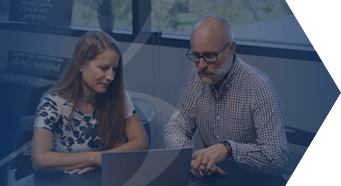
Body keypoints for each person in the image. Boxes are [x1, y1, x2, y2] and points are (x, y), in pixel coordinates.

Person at [164, 15, 290, 185]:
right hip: (214, 179)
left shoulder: (259, 87)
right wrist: (193, 159)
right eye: (196, 56)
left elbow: (279, 158)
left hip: (255, 181)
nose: (201, 65)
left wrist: (228, 149)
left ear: (231, 48)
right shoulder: (194, 81)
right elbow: (175, 128)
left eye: (210, 56)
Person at [31, 31, 149, 175]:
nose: (111, 77)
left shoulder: (118, 96)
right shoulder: (52, 102)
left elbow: (141, 141)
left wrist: (101, 159)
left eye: (114, 69)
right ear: (80, 63)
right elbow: (39, 159)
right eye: (104, 68)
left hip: (104, 178)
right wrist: (94, 158)